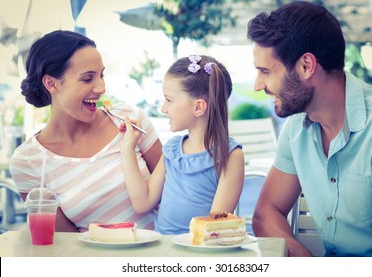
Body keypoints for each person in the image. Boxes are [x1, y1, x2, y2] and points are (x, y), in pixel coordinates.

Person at [247, 1, 372, 257]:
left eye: (265, 71)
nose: (258, 85)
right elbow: (266, 213)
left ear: (306, 66)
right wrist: (304, 261)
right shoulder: (295, 129)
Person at [9, 30, 162, 232]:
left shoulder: (129, 120)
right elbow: (66, 244)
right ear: (51, 83)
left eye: (101, 75)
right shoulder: (28, 161)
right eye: (88, 79)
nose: (101, 88)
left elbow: (177, 188)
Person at [120, 55, 245, 234]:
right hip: (162, 249)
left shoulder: (230, 156)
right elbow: (143, 203)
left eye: (169, 100)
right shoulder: (172, 150)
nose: (163, 108)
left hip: (197, 252)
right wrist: (127, 149)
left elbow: (215, 229)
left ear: (198, 107)